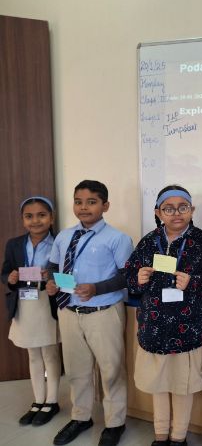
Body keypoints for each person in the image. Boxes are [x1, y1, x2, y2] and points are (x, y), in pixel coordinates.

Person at [124, 185, 202, 446]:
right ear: (158, 213)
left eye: (182, 207)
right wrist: (138, 278)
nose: (176, 213)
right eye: (169, 209)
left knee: (182, 386)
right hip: (153, 328)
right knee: (158, 386)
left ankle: (178, 438)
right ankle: (160, 436)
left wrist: (193, 282)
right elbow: (129, 276)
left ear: (192, 210)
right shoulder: (148, 242)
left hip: (188, 329)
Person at [46, 180, 133, 446]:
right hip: (69, 311)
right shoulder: (63, 236)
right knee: (76, 369)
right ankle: (81, 417)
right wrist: (51, 282)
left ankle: (115, 423)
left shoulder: (117, 238)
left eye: (91, 202)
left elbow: (127, 276)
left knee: (111, 370)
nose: (83, 207)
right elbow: (53, 266)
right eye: (78, 202)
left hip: (103, 312)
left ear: (105, 206)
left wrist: (97, 288)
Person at [1, 196, 61, 426]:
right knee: (33, 354)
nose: (35, 221)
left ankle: (52, 401)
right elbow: (5, 272)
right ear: (22, 219)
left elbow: (69, 274)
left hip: (47, 303)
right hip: (24, 303)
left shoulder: (59, 242)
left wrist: (53, 278)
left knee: (50, 354)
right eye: (29, 216)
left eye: (41, 215)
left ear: (51, 218)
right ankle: (38, 400)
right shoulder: (14, 244)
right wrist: (10, 278)